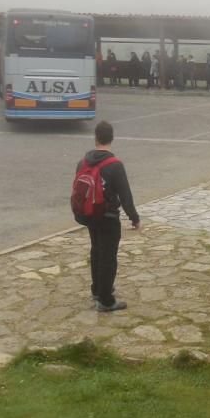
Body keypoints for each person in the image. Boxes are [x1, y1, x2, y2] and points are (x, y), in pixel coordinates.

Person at [75, 121, 141, 312]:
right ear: (111, 139)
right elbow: (125, 196)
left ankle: (97, 289)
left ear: (95, 138)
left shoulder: (83, 162)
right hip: (108, 217)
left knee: (96, 251)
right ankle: (106, 300)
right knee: (108, 257)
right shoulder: (115, 165)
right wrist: (134, 218)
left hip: (89, 215)